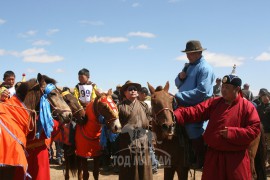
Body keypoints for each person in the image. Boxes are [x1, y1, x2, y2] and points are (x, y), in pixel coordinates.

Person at [174, 74, 261, 179]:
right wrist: (176, 114)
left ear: (237, 89)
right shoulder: (214, 103)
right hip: (213, 158)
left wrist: (232, 133)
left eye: (227, 87)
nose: (223, 90)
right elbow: (196, 111)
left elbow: (254, 129)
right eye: (222, 87)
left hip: (236, 160)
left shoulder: (247, 107)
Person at [174, 40, 215, 168]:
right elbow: (177, 84)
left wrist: (178, 97)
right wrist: (180, 77)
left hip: (200, 105)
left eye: (191, 53)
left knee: (192, 127)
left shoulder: (205, 68)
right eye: (187, 53)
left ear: (199, 53)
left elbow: (202, 92)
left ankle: (201, 158)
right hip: (184, 104)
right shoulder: (188, 66)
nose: (188, 56)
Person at [117, 80, 153, 180]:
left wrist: (148, 130)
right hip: (127, 142)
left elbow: (150, 121)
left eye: (135, 89)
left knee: (144, 170)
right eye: (130, 89)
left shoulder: (144, 105)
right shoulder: (120, 107)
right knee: (128, 170)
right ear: (125, 92)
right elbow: (116, 125)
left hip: (143, 142)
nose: (133, 91)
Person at [138, 87, 159, 174]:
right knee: (150, 147)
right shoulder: (150, 102)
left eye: (139, 93)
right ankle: (155, 164)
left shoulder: (146, 103)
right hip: (149, 128)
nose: (138, 95)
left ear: (144, 94)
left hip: (146, 129)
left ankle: (154, 166)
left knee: (149, 148)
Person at [256, 89, 270, 167]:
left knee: (268, 148)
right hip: (260, 132)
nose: (264, 98)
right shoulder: (258, 107)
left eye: (266, 96)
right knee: (262, 148)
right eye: (262, 97)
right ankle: (264, 162)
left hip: (269, 132)